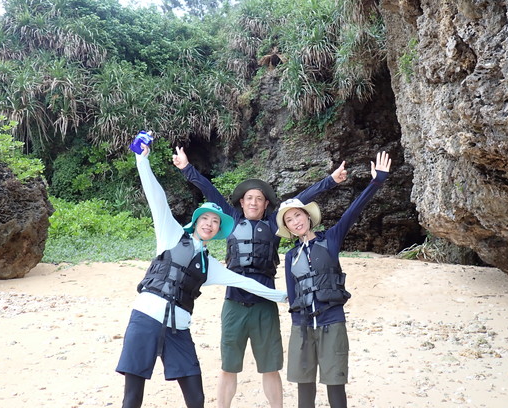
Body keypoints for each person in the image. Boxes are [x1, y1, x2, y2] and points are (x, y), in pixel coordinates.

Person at [116, 139, 288, 408]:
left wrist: (285, 296)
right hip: (146, 318)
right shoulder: (171, 235)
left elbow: (247, 283)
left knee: (196, 398)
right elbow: (156, 197)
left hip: (178, 329)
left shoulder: (210, 265)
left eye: (215, 221)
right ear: (196, 221)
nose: (209, 224)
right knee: (132, 397)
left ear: (219, 230)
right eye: (205, 218)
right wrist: (142, 160)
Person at [173, 147, 348, 408]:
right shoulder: (232, 219)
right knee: (228, 366)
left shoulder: (274, 225)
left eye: (259, 199)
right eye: (249, 198)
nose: (253, 202)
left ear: (266, 204)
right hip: (234, 303)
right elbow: (209, 190)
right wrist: (187, 168)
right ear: (241, 203)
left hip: (265, 305)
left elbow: (300, 200)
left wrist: (331, 180)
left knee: (270, 367)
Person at [275, 151, 392, 408]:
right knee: (305, 389)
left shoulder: (330, 239)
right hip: (302, 326)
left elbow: (353, 211)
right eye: (289, 220)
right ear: (288, 227)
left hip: (332, 321)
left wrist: (376, 182)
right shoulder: (291, 256)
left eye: (298, 215)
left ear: (308, 216)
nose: (295, 222)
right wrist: (298, 325)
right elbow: (293, 296)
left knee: (335, 385)